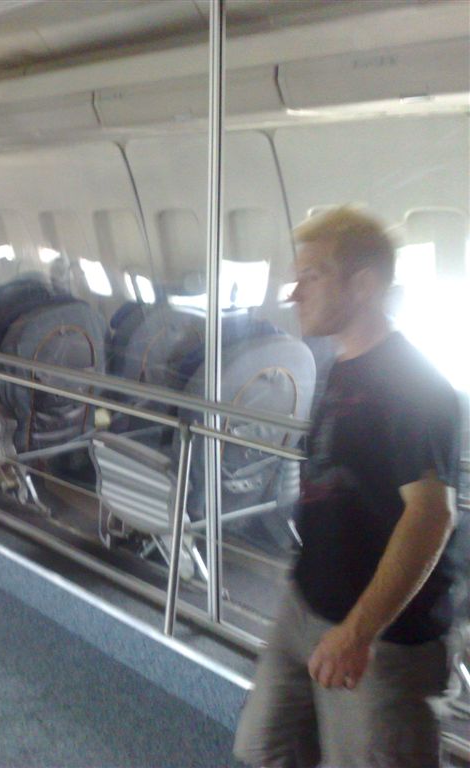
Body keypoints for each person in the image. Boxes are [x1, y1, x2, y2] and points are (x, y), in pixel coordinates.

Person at [233, 206, 462, 767]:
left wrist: (358, 633)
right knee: (264, 750)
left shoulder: (413, 384)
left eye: (311, 276)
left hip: (382, 639)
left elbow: (431, 515)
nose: (293, 292)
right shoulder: (342, 363)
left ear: (363, 285)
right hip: (306, 606)